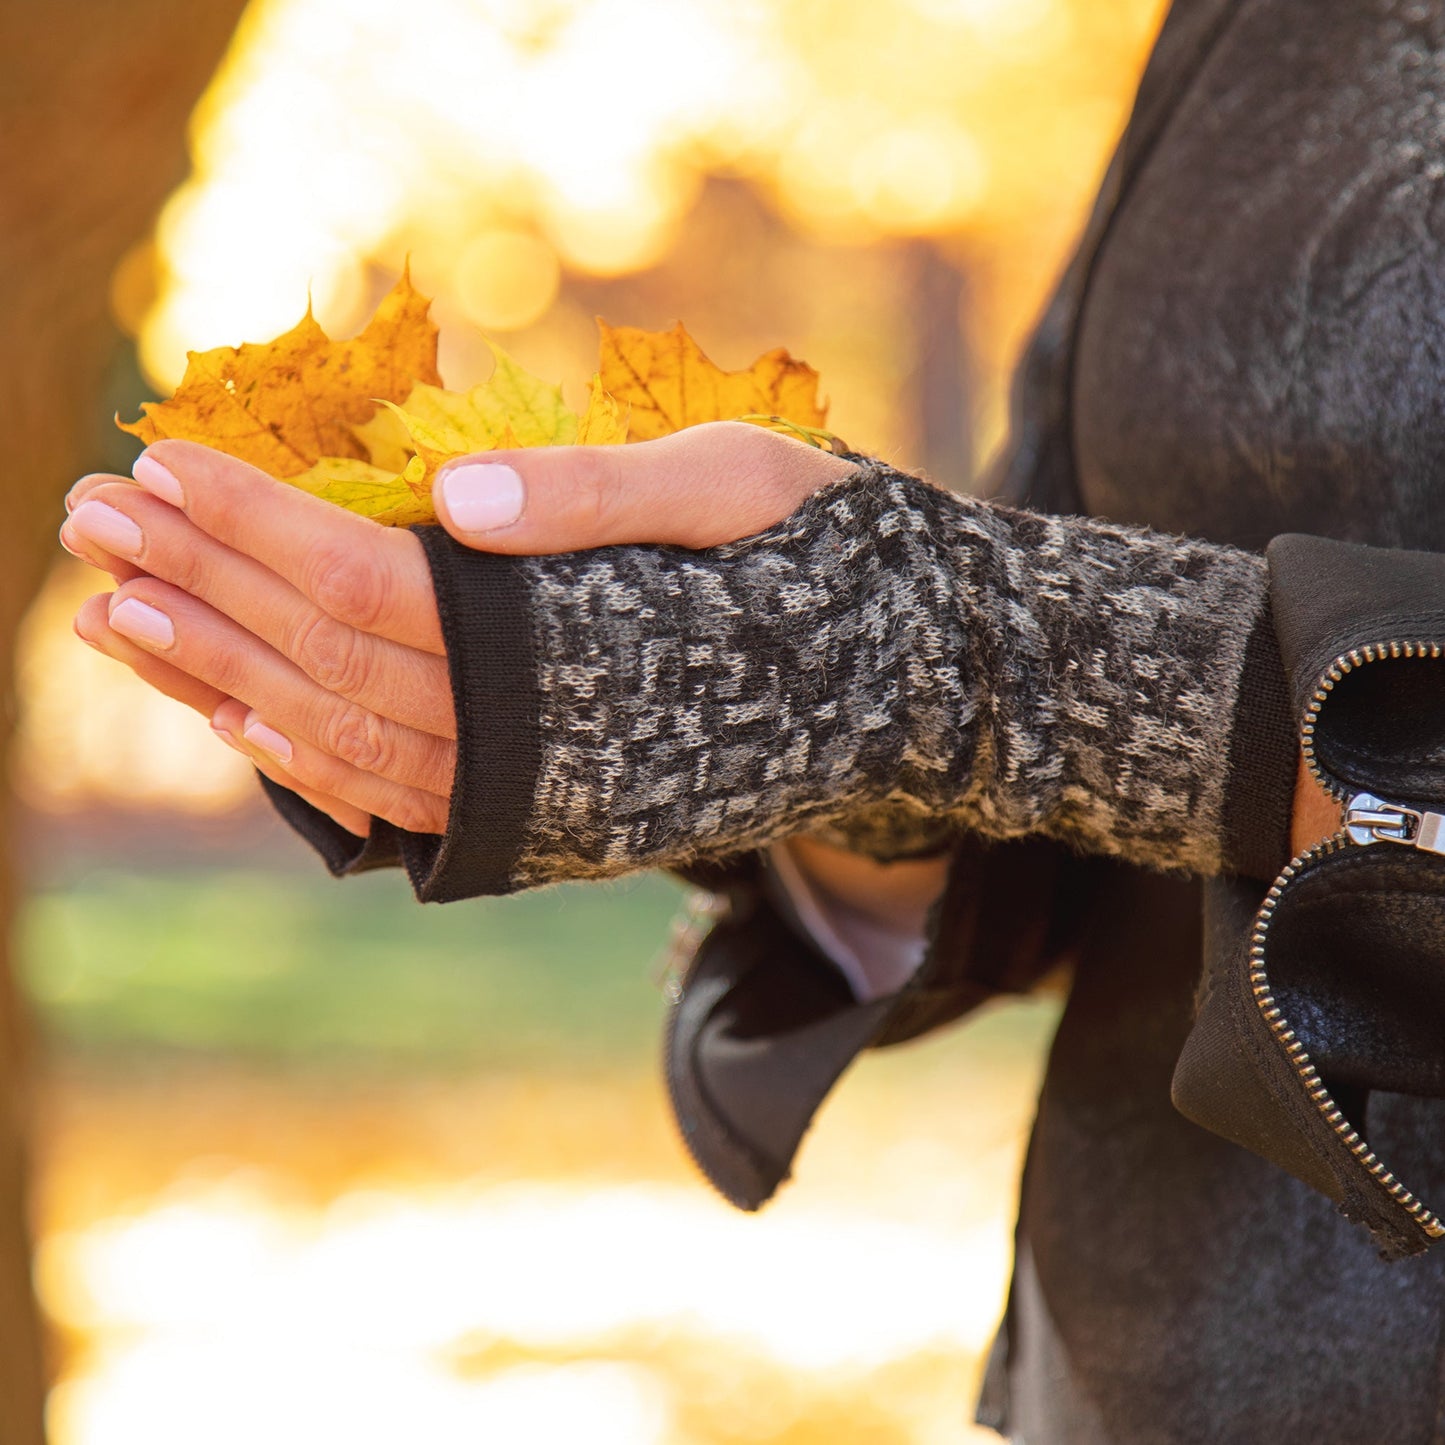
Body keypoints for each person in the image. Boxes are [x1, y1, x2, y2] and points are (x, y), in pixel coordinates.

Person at [58, 0, 1445, 1436]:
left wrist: (947, 661)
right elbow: (1068, 726)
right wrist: (792, 723)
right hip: (1128, 1371)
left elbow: (1007, 655)